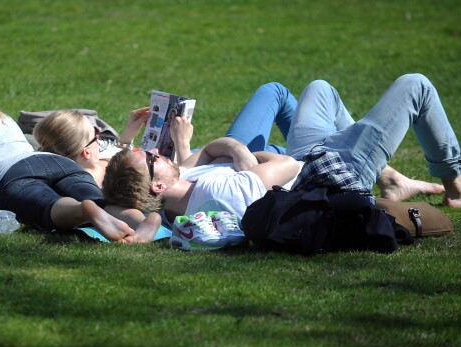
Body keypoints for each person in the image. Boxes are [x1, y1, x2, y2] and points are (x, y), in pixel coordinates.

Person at [102, 74, 461, 223]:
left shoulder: (189, 178)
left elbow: (213, 147)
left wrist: (239, 154)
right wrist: (238, 154)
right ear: (157, 187)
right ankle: (455, 183)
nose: (156, 152)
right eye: (151, 159)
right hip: (333, 168)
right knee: (416, 85)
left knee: (320, 88)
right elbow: (287, 163)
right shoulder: (217, 192)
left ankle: (389, 176)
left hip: (310, 154)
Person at [0, 70, 160, 242]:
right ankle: (142, 223)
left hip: (9, 176)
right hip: (52, 160)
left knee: (49, 206)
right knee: (100, 200)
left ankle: (83, 210)